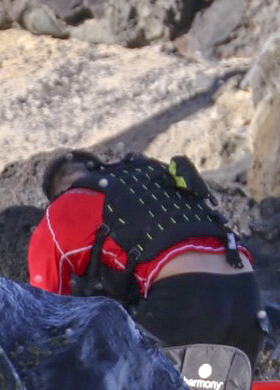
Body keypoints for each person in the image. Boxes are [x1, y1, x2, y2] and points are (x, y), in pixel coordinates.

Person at [28, 149, 269, 370]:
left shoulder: (60, 212)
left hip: (184, 301)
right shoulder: (153, 179)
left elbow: (47, 314)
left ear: (56, 195)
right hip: (248, 299)